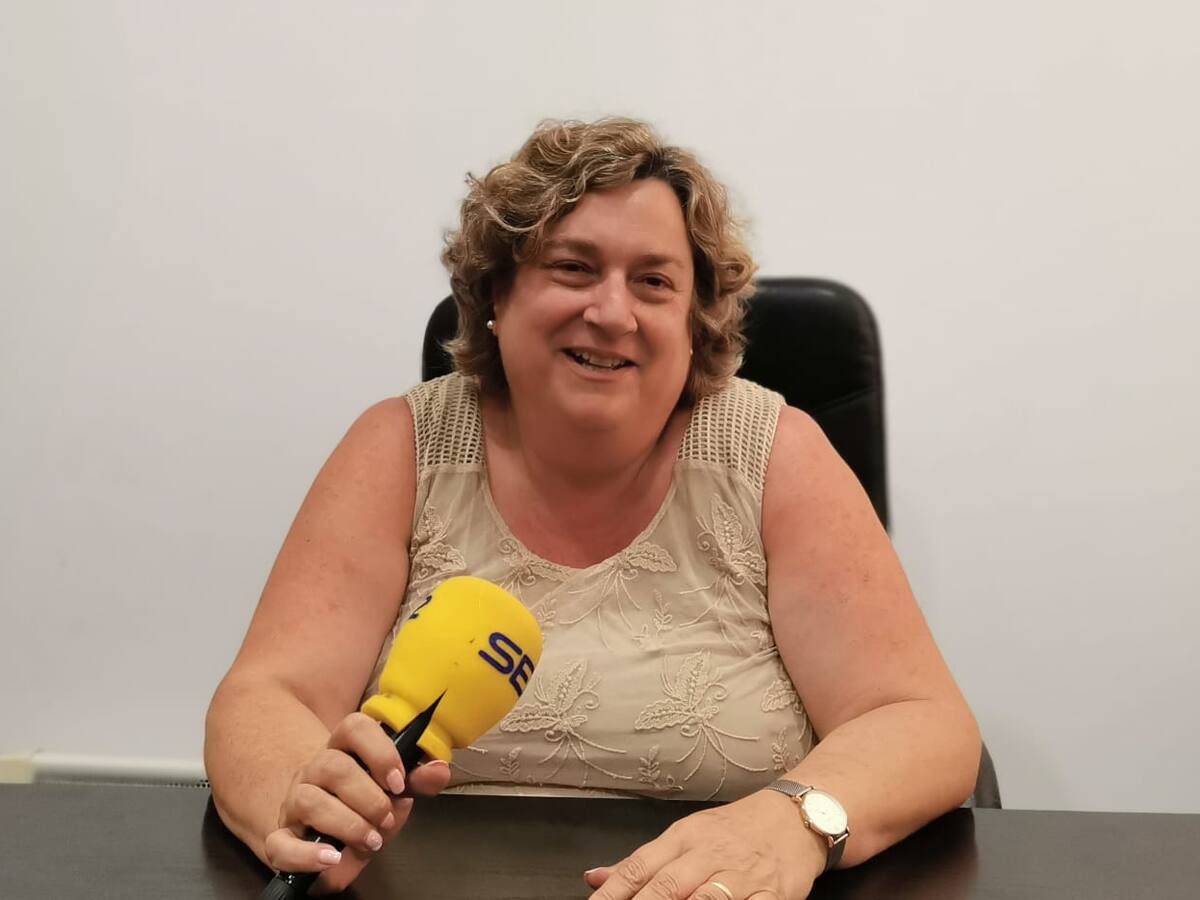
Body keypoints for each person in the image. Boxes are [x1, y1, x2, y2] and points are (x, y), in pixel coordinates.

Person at [204, 117, 981, 899]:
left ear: (695, 321)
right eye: (573, 268)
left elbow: (922, 721)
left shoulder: (777, 455)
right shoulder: (400, 447)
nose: (612, 313)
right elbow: (267, 697)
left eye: (654, 282)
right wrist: (303, 802)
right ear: (497, 293)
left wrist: (794, 822)